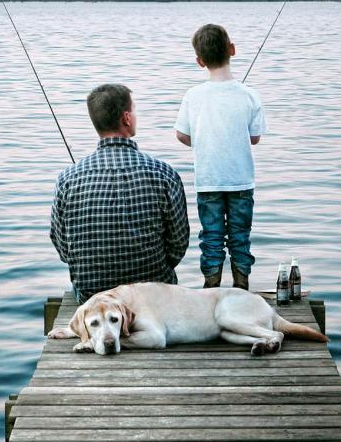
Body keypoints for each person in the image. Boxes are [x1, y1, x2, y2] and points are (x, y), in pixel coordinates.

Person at [51, 83, 189, 302]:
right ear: (126, 118)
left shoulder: (67, 179)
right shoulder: (163, 173)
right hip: (153, 296)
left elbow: (63, 249)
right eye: (133, 110)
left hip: (93, 297)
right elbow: (178, 243)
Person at [174, 23, 267, 289]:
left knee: (211, 238)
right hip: (241, 182)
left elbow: (181, 135)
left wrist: (201, 140)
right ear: (232, 50)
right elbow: (255, 138)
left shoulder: (193, 95)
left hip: (208, 181)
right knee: (240, 237)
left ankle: (210, 290)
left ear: (199, 61)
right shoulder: (249, 95)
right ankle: (241, 288)